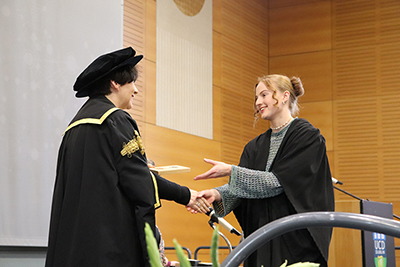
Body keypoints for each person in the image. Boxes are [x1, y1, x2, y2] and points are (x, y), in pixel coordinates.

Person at [45, 47, 209, 267]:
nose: (136, 90)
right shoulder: (115, 120)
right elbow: (138, 182)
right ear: (115, 83)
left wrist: (184, 194)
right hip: (109, 249)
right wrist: (185, 195)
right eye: (132, 83)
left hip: (75, 249)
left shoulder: (74, 127)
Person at [193, 74, 335, 267]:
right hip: (261, 240)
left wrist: (231, 171)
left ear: (285, 96)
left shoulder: (307, 137)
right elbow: (245, 189)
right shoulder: (254, 146)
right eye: (256, 97)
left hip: (294, 242)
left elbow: (277, 183)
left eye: (264, 95)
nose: (258, 102)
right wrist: (217, 194)